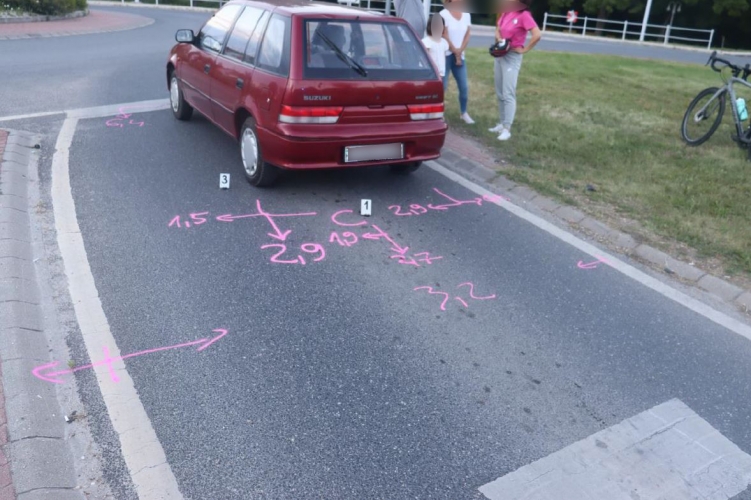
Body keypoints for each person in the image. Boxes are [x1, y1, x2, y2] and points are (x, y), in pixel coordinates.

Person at [489, 0, 541, 141]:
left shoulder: (524, 15)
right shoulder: (506, 12)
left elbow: (537, 34)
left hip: (512, 57)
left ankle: (507, 129)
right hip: (501, 55)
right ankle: (502, 123)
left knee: (508, 93)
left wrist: (525, 49)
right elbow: (498, 28)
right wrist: (499, 38)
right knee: (500, 92)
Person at [440, 0, 474, 124]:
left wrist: (460, 51)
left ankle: (463, 112)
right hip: (446, 55)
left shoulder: (466, 14)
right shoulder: (443, 14)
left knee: (464, 86)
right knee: (442, 86)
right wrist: (455, 51)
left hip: (460, 56)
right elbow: (444, 35)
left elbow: (468, 34)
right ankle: (439, 113)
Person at [422, 14, 449, 78]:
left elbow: (443, 57)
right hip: (429, 73)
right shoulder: (427, 42)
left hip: (440, 73)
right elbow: (424, 58)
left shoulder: (444, 42)